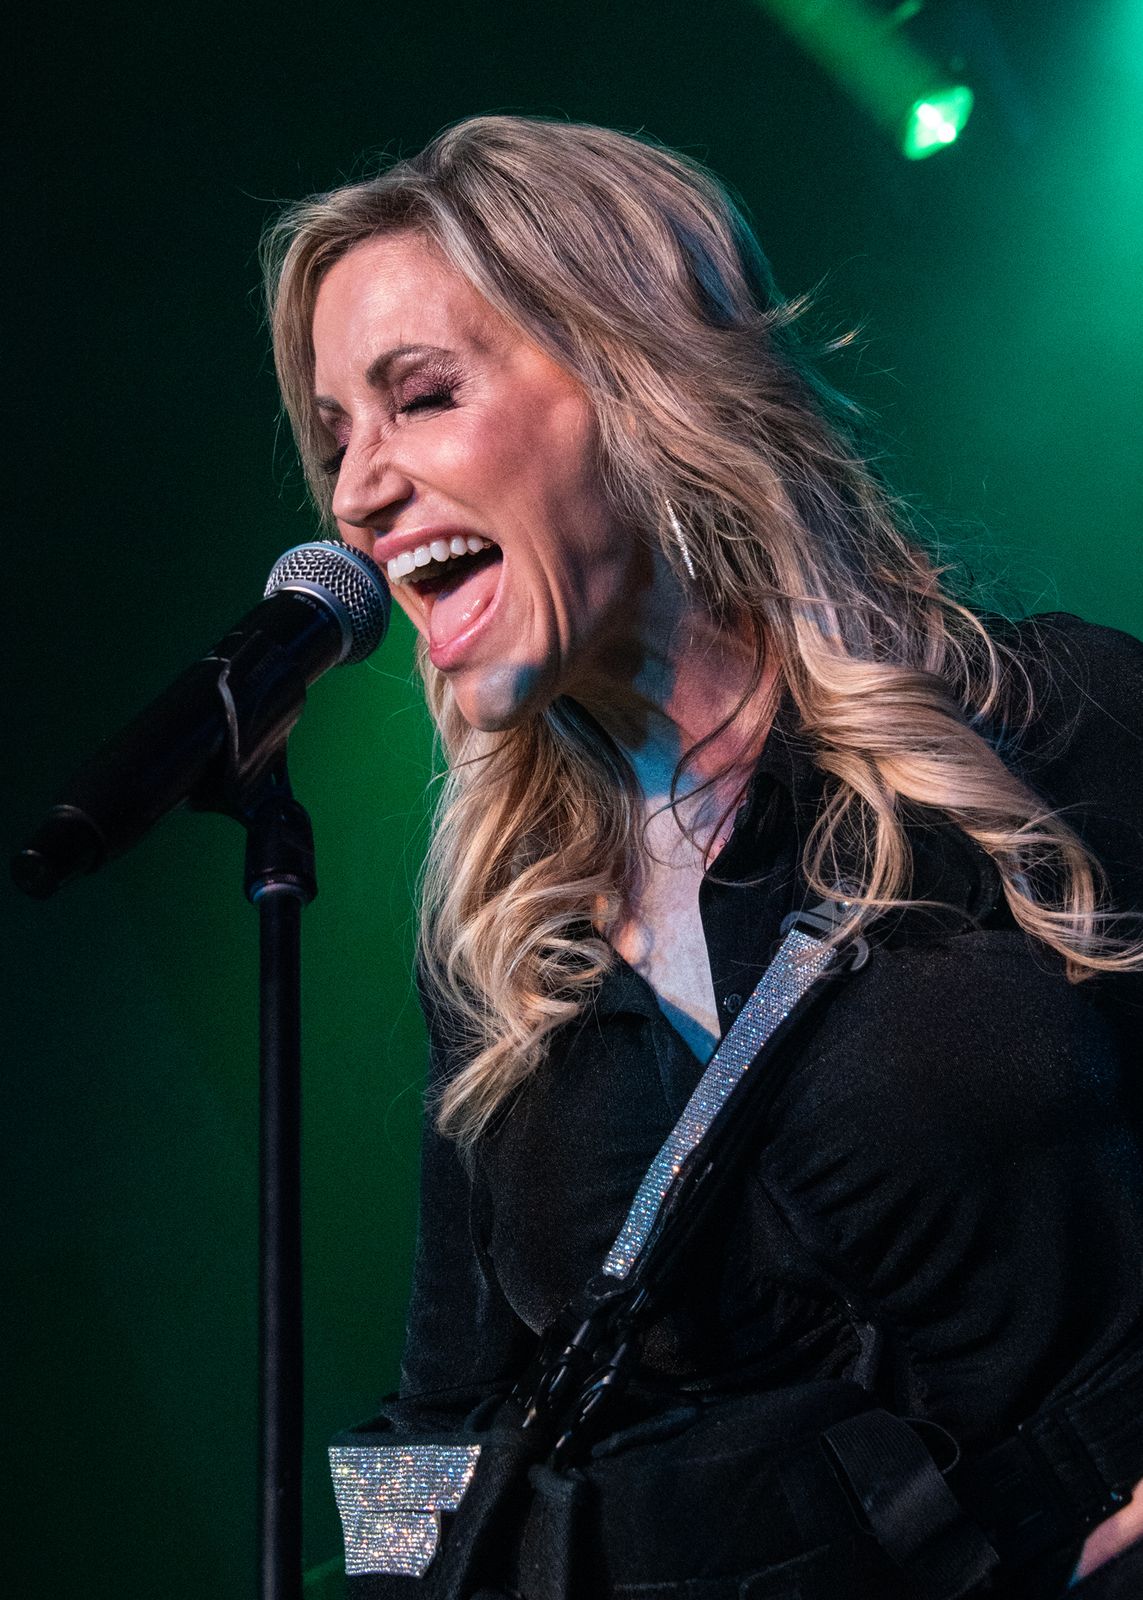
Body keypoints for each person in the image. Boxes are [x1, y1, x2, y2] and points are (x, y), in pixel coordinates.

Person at [263, 115, 1143, 1597]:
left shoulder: (1042, 720)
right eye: (338, 435)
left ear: (634, 381)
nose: (354, 491)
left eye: (421, 397)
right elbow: (434, 1415)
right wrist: (376, 1578)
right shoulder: (498, 944)